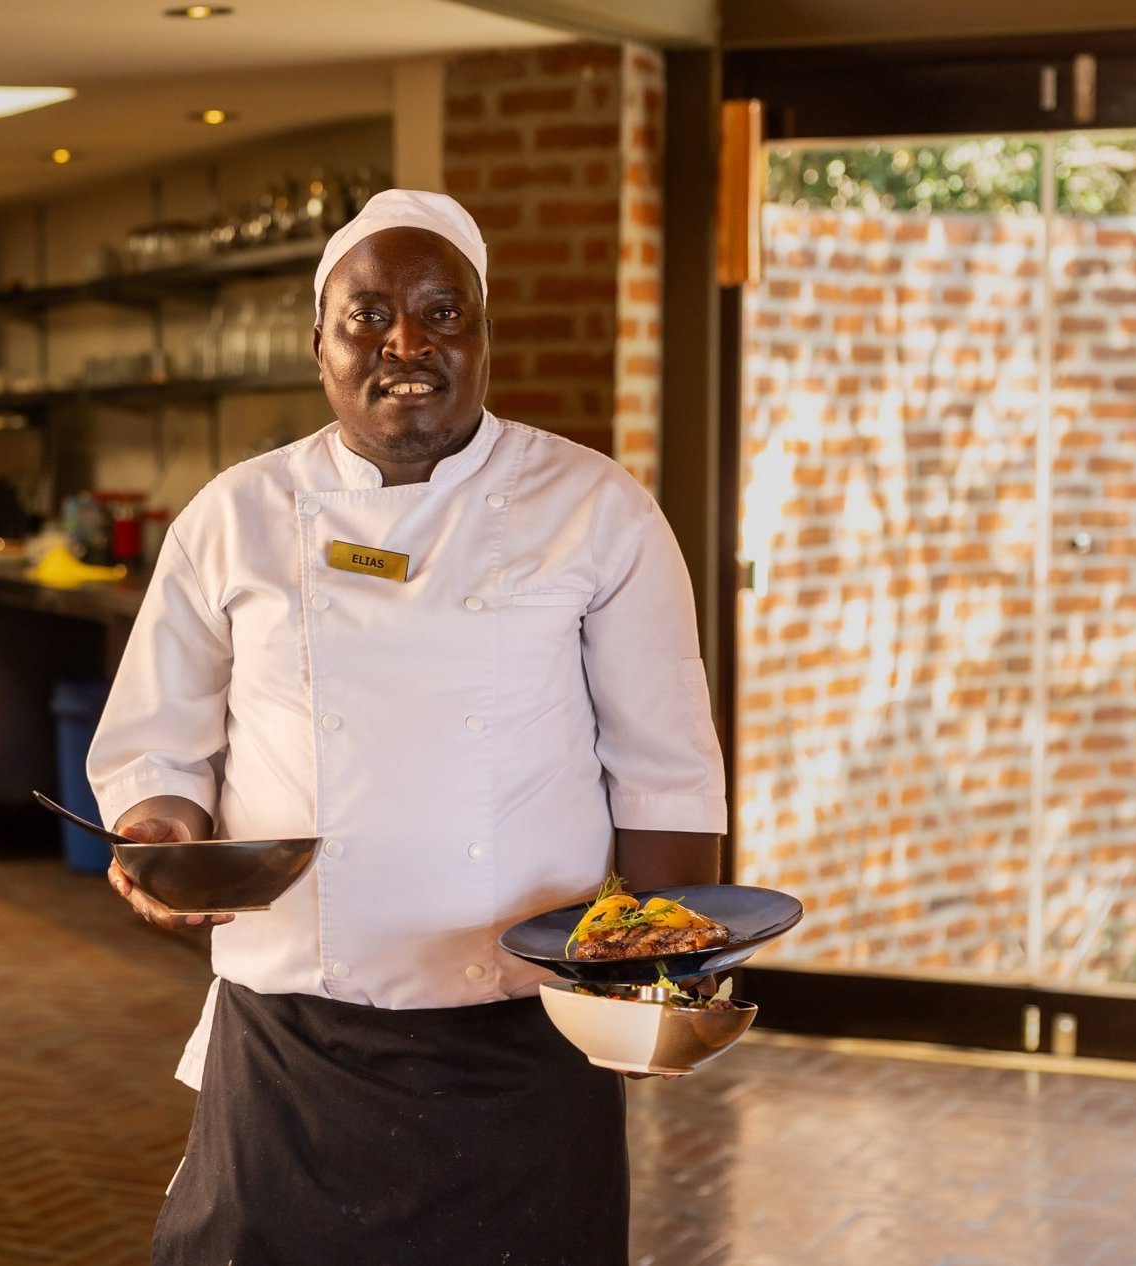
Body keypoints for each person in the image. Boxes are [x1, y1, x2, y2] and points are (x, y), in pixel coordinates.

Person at [88, 189, 727, 1264]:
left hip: (525, 1032)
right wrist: (157, 826)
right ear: (321, 346)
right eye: (368, 313)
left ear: (484, 338)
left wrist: (658, 980)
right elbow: (160, 740)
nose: (406, 343)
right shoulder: (233, 517)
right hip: (287, 1029)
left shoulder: (596, 508)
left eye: (444, 313)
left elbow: (663, 773)